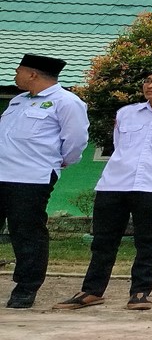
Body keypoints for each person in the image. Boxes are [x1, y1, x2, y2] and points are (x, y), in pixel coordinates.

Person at [53, 63, 152, 311]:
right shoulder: (127, 112)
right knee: (103, 240)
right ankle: (92, 291)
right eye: (148, 80)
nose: (150, 85)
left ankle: (140, 292)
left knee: (146, 240)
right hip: (114, 183)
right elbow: (119, 144)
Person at [1, 54, 89, 309]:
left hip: (31, 177)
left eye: (18, 71)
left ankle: (26, 288)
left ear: (33, 74)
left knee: (26, 233)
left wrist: (60, 162)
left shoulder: (67, 102)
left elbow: (75, 141)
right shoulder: (18, 101)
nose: (14, 76)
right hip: (1, 173)